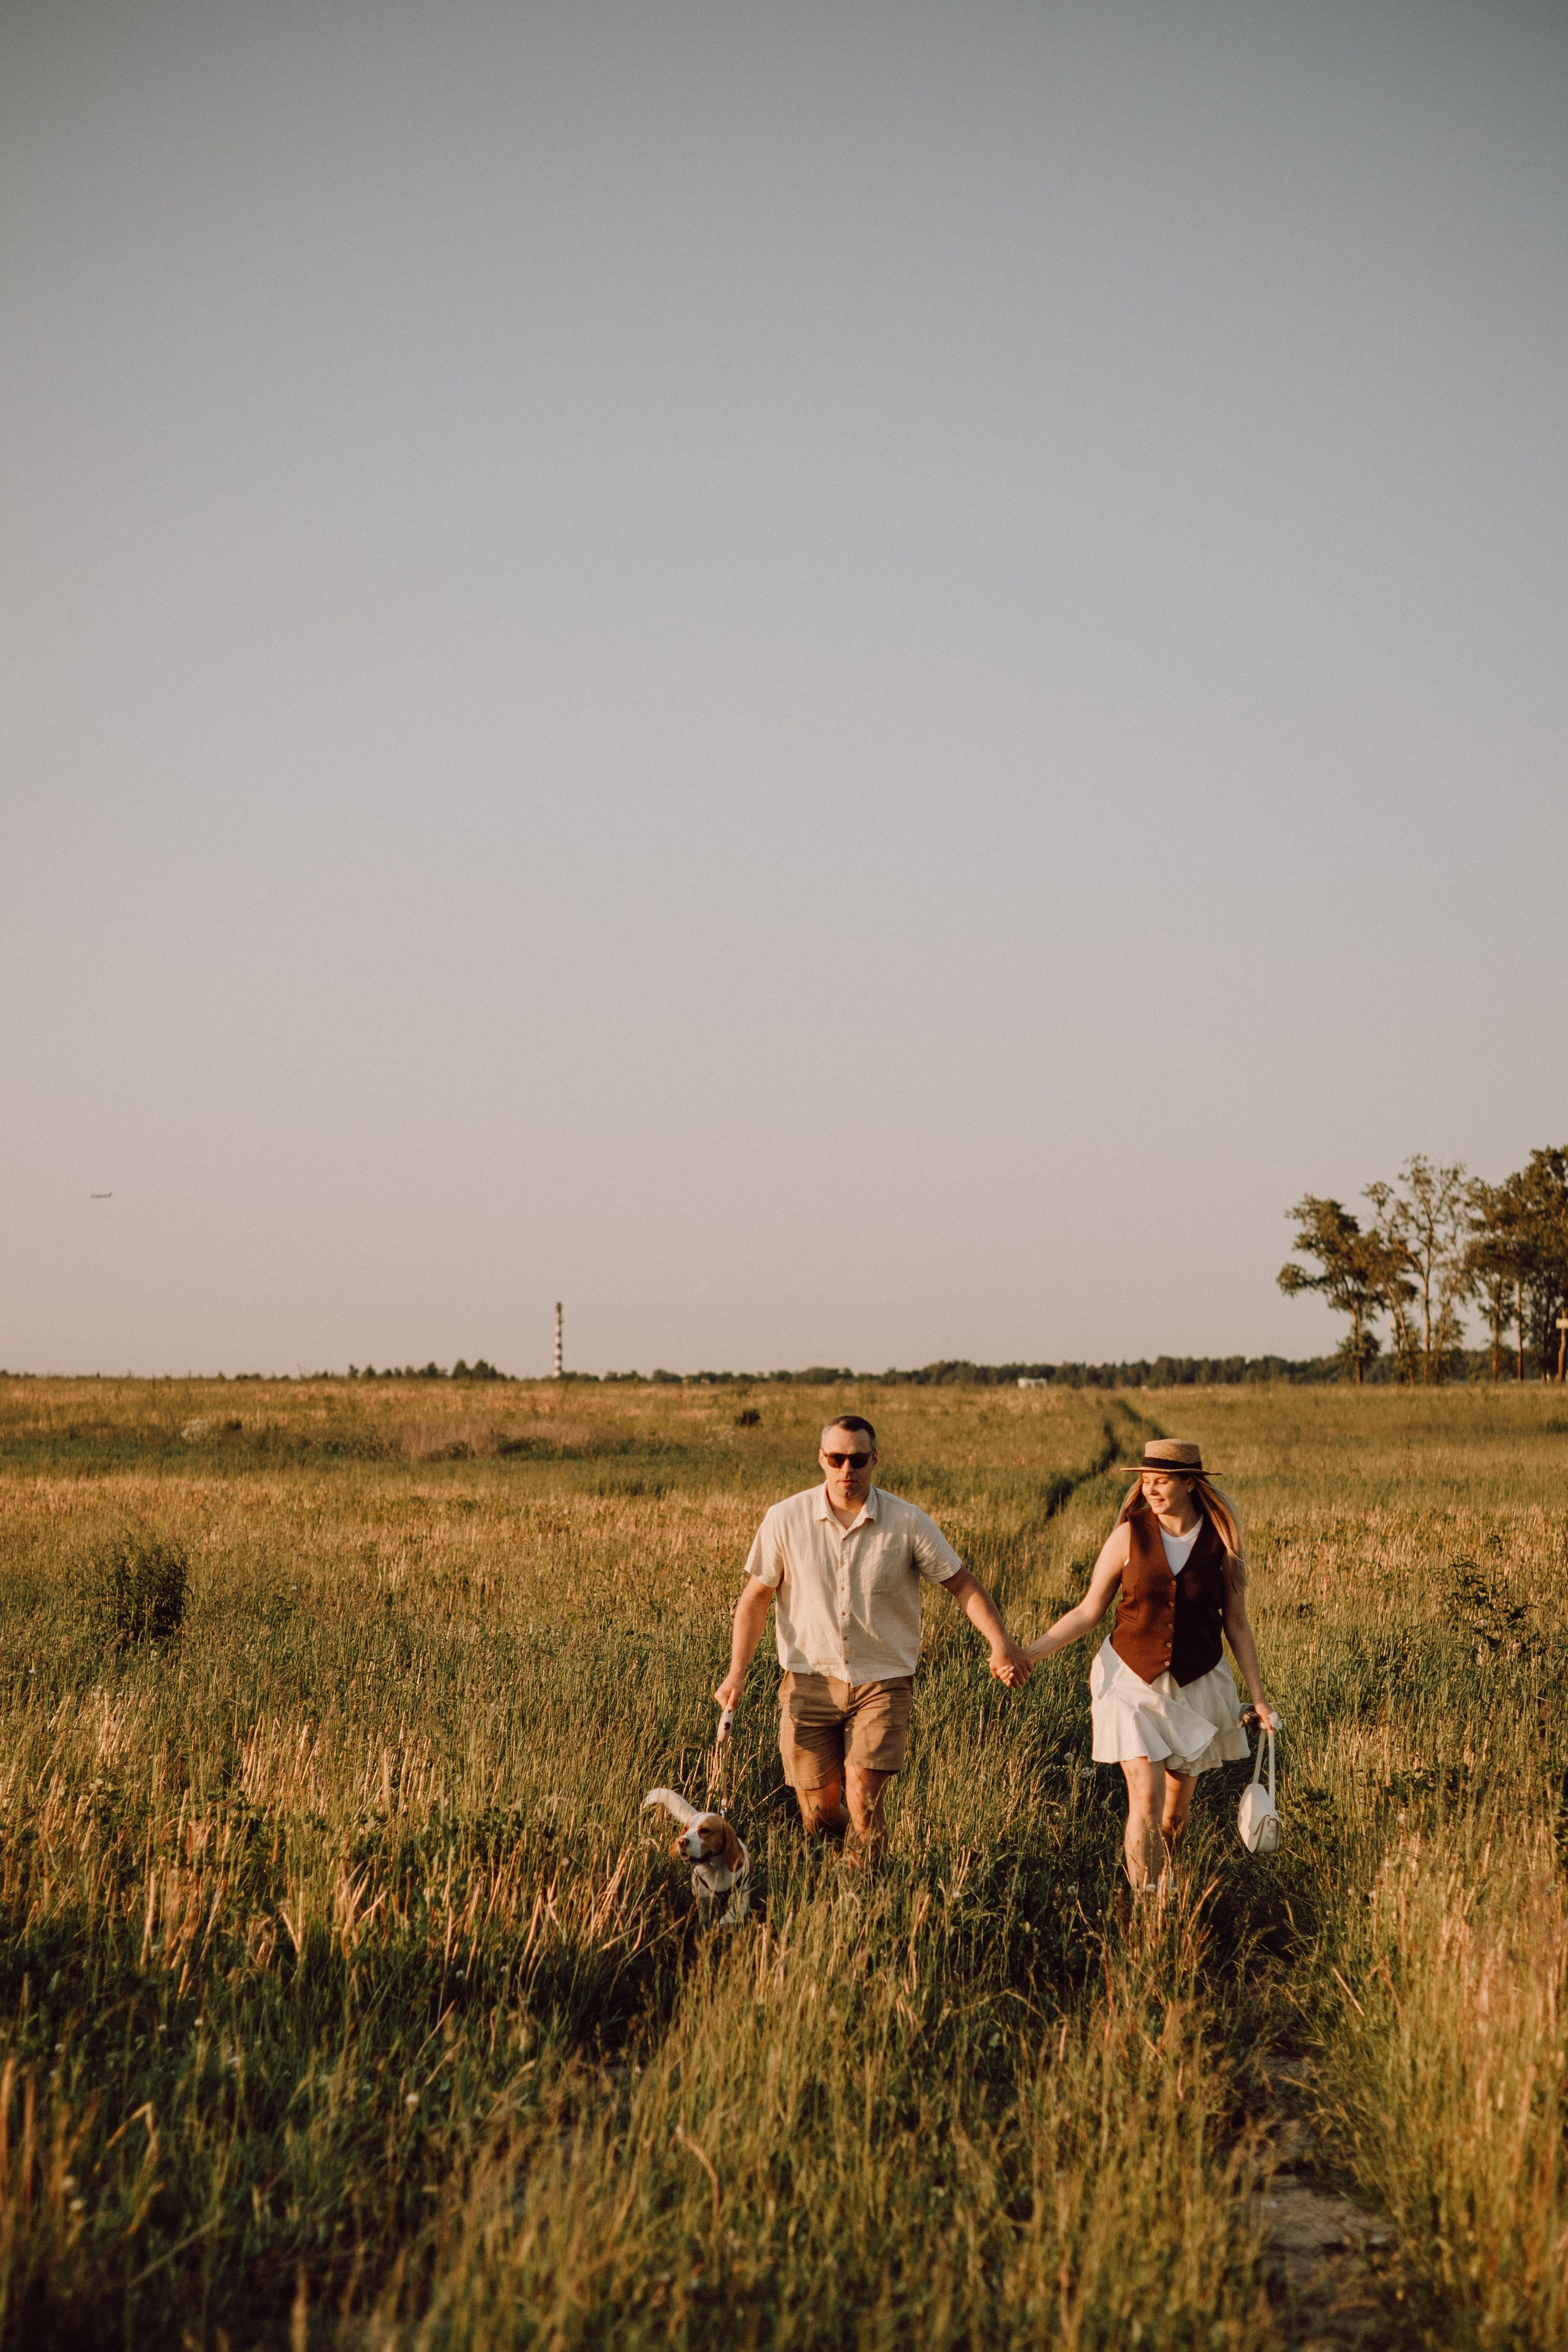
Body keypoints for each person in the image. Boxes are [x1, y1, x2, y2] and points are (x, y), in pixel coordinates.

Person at [715, 1414, 1033, 1866]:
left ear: (874, 1461)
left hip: (883, 1680)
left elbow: (962, 1584)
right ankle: (841, 1878)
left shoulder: (907, 1522)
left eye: (858, 1459)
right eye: (837, 1459)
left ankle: (866, 1896)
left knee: (862, 1794)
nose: (848, 1469)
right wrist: (736, 1673)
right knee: (821, 1810)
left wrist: (1000, 1644)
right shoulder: (785, 1519)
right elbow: (756, 1599)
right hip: (808, 1682)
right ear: (821, 1460)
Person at [1018, 1438, 1280, 1891]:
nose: (1150, 1490)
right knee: (1145, 1795)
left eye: (1161, 1481)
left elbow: (1237, 1624)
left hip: (1197, 1685)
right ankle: (1149, 1904)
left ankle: (1163, 1883)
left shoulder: (1222, 1543)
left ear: (1190, 1483)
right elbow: (1088, 1611)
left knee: (1175, 1817)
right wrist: (1029, 1654)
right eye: (1146, 1480)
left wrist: (1257, 1698)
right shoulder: (1129, 1534)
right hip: (1128, 1680)